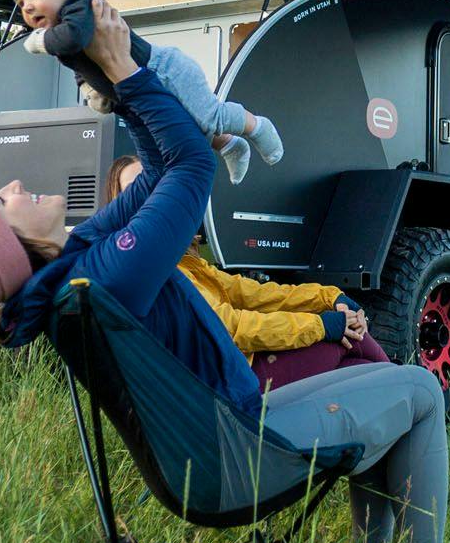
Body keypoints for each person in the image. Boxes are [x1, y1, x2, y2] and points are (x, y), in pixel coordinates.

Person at [0, 0, 450, 543]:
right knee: (421, 392)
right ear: (14, 247)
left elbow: (159, 171)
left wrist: (111, 70)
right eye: (2, 200)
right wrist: (128, 73)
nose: (16, 184)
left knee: (380, 382)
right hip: (238, 456)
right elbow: (189, 166)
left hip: (215, 445)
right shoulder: (106, 275)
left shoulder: (78, 263)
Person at [12, 0, 282, 184]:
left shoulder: (81, 6)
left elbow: (75, 38)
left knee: (210, 117)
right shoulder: (63, 31)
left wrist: (40, 42)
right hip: (141, 87)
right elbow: (79, 63)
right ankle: (230, 145)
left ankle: (256, 126)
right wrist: (91, 89)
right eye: (21, 3)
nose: (28, 7)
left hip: (165, 70)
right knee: (189, 125)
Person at [102, 156, 392, 388]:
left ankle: (403, 399)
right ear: (121, 209)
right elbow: (231, 328)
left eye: (153, 185)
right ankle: (412, 389)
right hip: (227, 384)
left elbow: (256, 294)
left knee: (358, 370)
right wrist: (322, 326)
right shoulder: (154, 272)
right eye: (135, 190)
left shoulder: (185, 263)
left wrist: (329, 297)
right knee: (354, 344)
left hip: (239, 366)